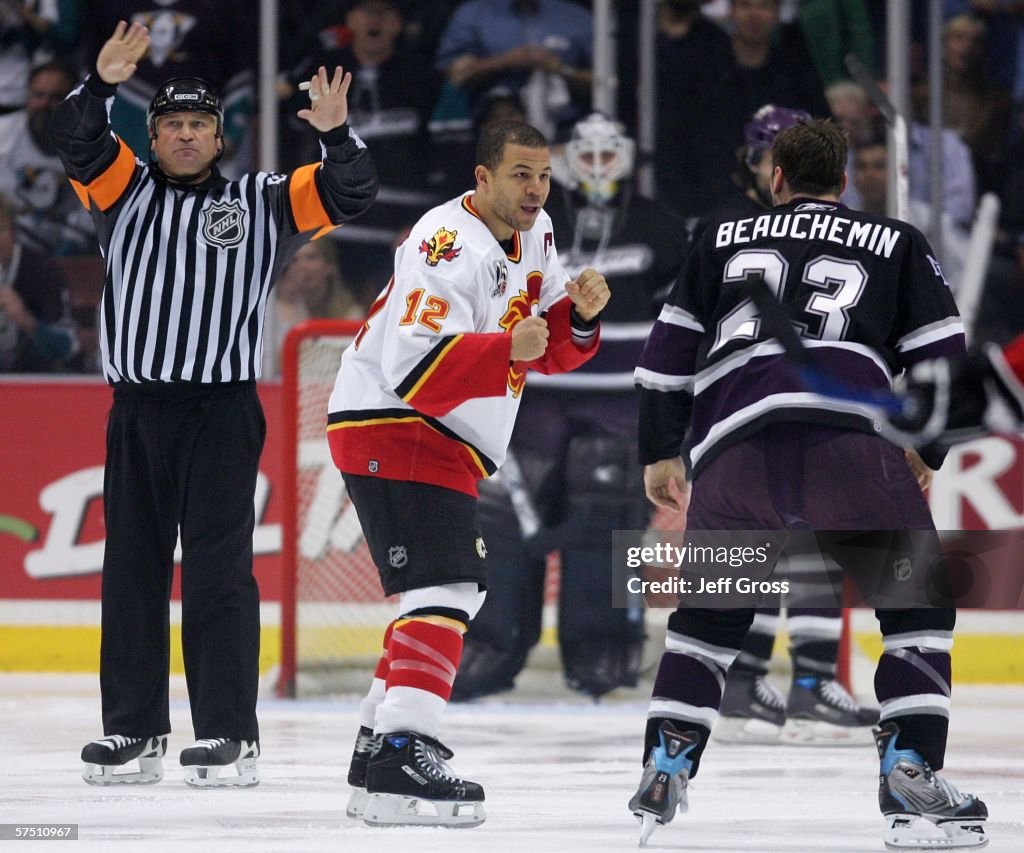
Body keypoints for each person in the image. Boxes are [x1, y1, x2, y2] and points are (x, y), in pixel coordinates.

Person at [629, 119, 988, 849]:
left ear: (777, 179)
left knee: (706, 622)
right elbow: (947, 364)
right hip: (847, 445)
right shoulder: (896, 241)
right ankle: (909, 770)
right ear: (846, 181)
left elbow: (664, 356)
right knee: (916, 608)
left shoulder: (719, 237)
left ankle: (667, 761)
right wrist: (929, 449)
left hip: (735, 454)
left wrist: (661, 452)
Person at [51, 21, 378, 788]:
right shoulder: (120, 188)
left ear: (219, 136)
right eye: (172, 125)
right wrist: (99, 85)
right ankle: (133, 730)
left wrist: (336, 136)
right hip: (137, 411)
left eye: (199, 123)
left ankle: (231, 733)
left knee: (218, 573)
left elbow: (352, 190)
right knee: (130, 570)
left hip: (221, 413)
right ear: (153, 135)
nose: (186, 135)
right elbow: (72, 138)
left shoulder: (262, 198)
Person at [326, 118, 609, 827]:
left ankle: (374, 752)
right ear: (481, 178)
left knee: (439, 593)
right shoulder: (444, 242)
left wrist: (577, 317)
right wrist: (508, 345)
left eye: (544, 175)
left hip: (439, 434)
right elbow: (413, 367)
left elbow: (540, 347)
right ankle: (400, 750)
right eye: (520, 174)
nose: (536, 189)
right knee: (449, 586)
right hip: (398, 422)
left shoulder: (536, 234)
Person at [451, 112, 689, 701]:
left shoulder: (659, 225)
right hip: (531, 399)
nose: (599, 167)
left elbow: (682, 320)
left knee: (605, 518)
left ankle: (604, 650)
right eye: (587, 155)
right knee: (503, 521)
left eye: (611, 155)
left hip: (617, 404)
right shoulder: (532, 224)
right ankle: (492, 645)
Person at [710, 104, 881, 745]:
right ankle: (797, 680)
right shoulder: (728, 230)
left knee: (792, 538)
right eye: (763, 155)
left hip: (761, 408)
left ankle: (752, 676)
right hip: (747, 407)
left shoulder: (734, 231)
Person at [0, 60, 96, 256]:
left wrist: (73, 245)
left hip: (61, 254)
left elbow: (95, 215)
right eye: (39, 95)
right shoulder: (3, 133)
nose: (45, 104)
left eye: (56, 98)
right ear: (27, 97)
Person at [0, 190, 78, 371]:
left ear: (13, 231)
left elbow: (68, 346)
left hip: (32, 379)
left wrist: (26, 321)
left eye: (0, 230)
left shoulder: (43, 272)